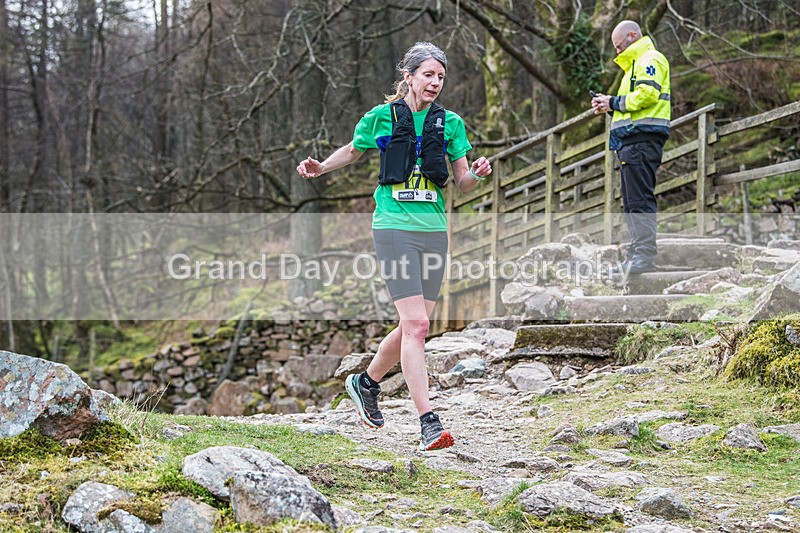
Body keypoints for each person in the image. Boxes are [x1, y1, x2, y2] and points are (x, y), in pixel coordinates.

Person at [296, 42, 492, 451]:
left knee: (411, 326)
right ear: (409, 76)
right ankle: (428, 423)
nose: (435, 82)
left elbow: (462, 182)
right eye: (428, 75)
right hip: (393, 228)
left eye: (440, 77)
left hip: (434, 231)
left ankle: (366, 383)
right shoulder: (381, 117)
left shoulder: (450, 124)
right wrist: (321, 167)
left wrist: (477, 173)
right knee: (418, 326)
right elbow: (353, 151)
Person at [592, 20, 671, 274]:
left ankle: (643, 256)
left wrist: (614, 102)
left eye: (619, 46)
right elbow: (632, 107)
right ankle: (636, 254)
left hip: (641, 140)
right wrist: (609, 106)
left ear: (632, 36)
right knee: (631, 202)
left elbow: (647, 95)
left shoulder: (649, 59)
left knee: (639, 201)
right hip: (631, 141)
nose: (617, 51)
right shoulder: (634, 66)